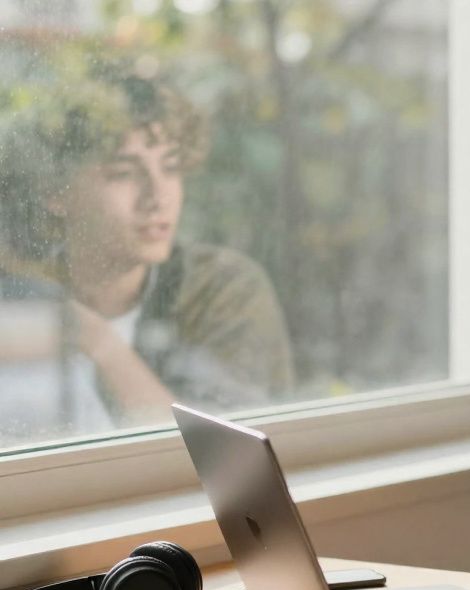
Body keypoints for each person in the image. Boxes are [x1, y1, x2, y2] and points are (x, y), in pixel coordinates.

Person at [0, 52, 293, 439]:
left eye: (170, 167)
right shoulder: (17, 293)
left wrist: (96, 341)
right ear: (54, 190)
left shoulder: (220, 289)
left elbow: (226, 458)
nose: (158, 197)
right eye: (124, 173)